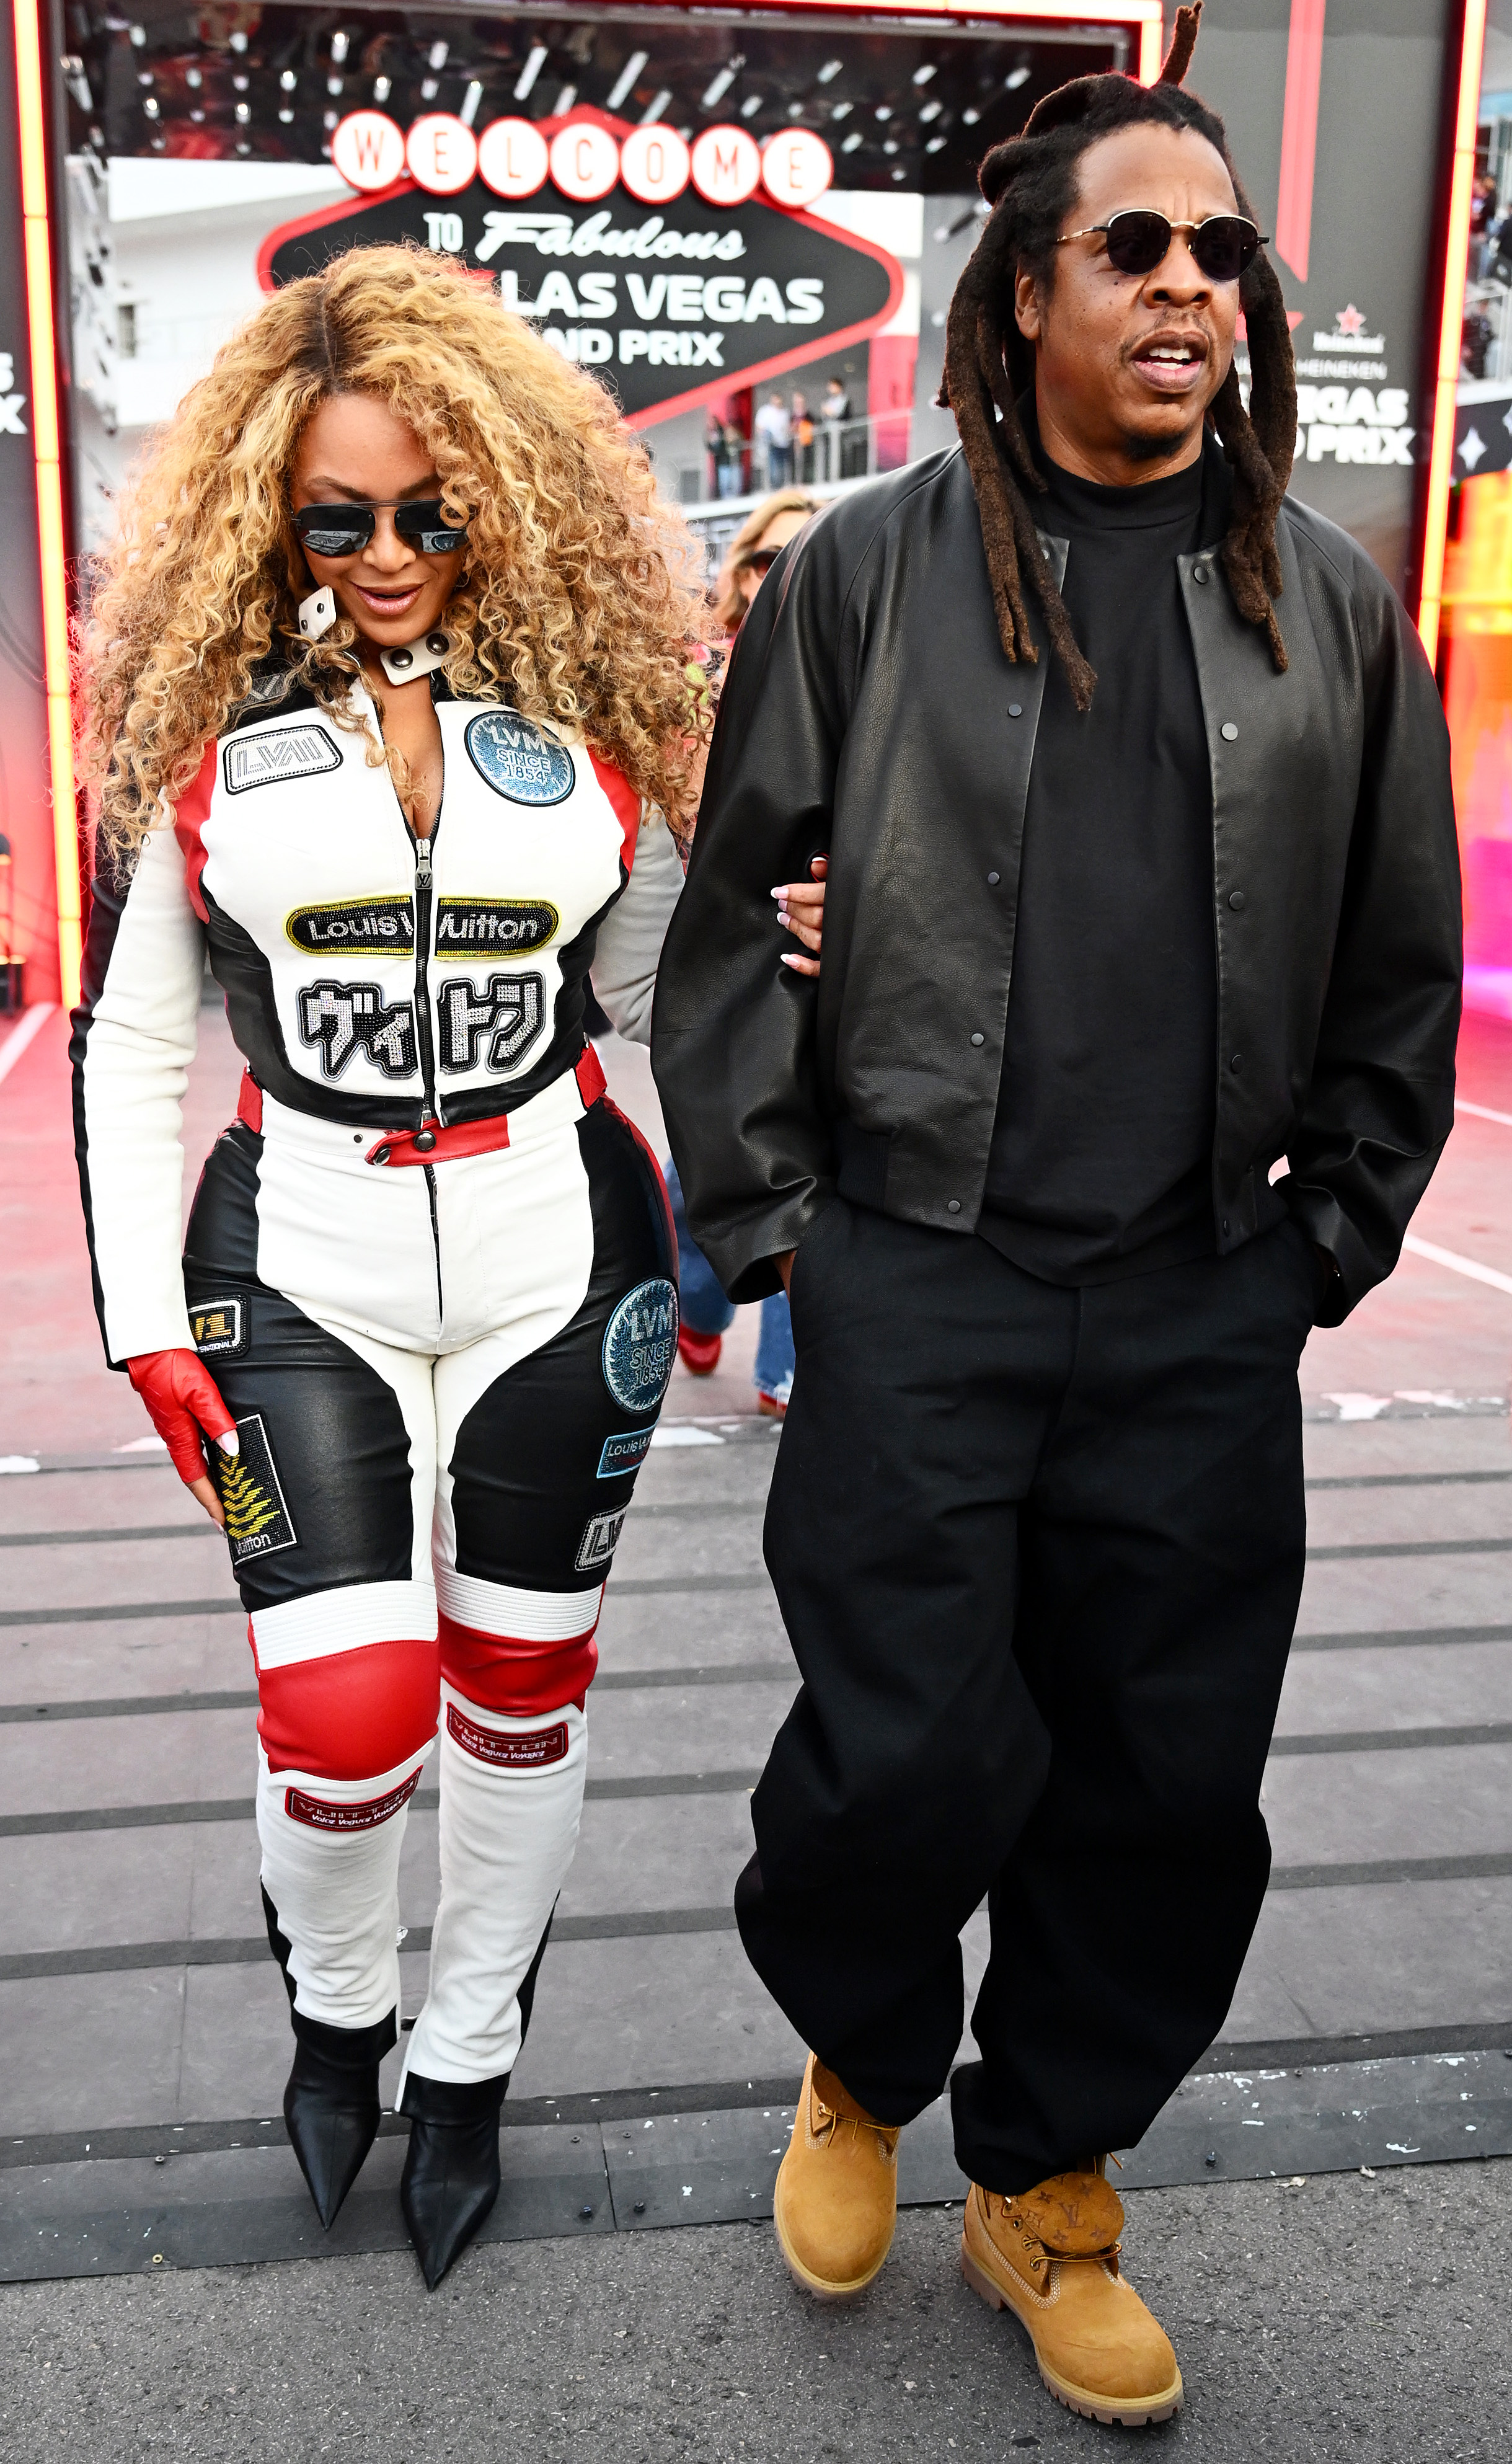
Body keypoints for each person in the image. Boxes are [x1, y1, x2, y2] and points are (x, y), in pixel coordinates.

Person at [653, 13, 1459, 2427]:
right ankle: (859, 2055)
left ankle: (1046, 2172)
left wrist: (1318, 1248)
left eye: (1224, 249)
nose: (1191, 284)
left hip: (1202, 1299)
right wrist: (788, 1237)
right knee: (902, 1758)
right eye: (1136, 244)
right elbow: (728, 920)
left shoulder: (1328, 607)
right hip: (918, 1270)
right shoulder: (869, 577)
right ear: (1029, 292)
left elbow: (1397, 980)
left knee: (1162, 1784)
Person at [69, 244, 823, 2290]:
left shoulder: (589, 735)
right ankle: (335, 2008)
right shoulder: (204, 733)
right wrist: (145, 1325)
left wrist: (800, 992)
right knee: (344, 1708)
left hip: (552, 1264)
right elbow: (137, 1043)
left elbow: (683, 993)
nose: (388, 553)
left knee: (514, 1692)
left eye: (427, 507)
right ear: (272, 515)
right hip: (276, 1270)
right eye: (339, 514)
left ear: (495, 493)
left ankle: (467, 2060)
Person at [668, 490, 823, 1414]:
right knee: (709, 1156)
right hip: (723, 948)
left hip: (821, 950)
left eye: (800, 555)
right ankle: (695, 1291)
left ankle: (784, 1366)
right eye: (765, 558)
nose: (781, 573)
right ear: (740, 574)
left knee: (810, 1152)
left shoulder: (870, 658)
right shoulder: (700, 676)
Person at [753, 389, 793, 488]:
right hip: (771, 445)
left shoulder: (785, 412)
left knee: (783, 467)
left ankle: (783, 486)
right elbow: (759, 427)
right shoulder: (765, 411)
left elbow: (788, 427)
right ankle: (774, 487)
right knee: (774, 469)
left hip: (783, 444)